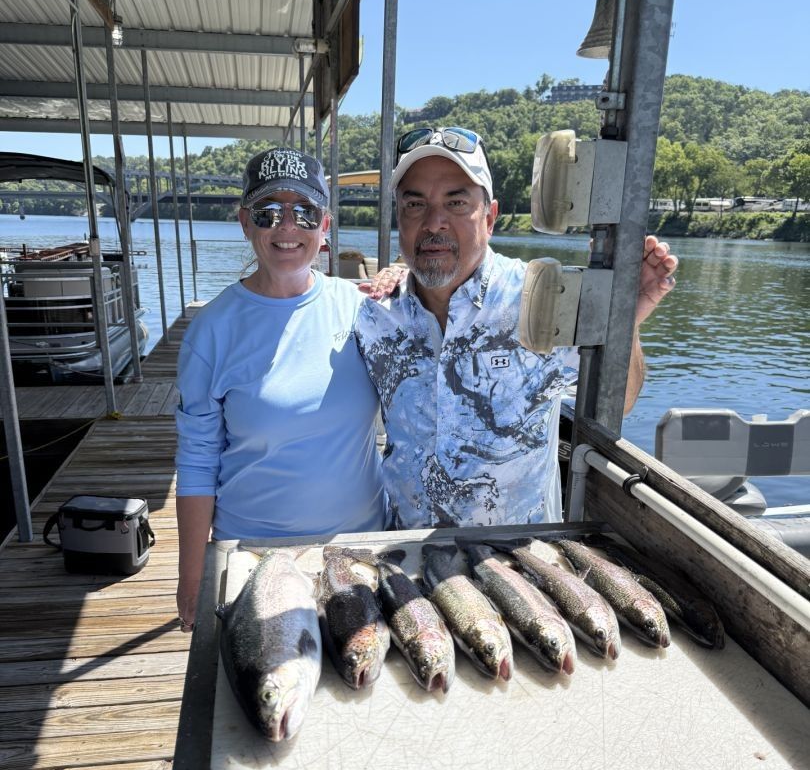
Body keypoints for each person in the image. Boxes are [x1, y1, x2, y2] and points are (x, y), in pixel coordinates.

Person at [355, 127, 678, 530]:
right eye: (415, 205)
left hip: (518, 558)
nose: (434, 222)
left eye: (456, 202)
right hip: (402, 552)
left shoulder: (540, 297)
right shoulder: (373, 314)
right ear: (398, 217)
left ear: (489, 217)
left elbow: (618, 403)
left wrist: (624, 321)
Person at [175, 146, 387, 630]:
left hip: (359, 554)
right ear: (245, 222)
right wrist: (192, 577)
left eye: (305, 212)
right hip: (255, 557)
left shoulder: (364, 309)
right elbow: (196, 462)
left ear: (326, 226)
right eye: (269, 212)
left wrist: (402, 277)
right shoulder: (211, 330)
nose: (287, 227)